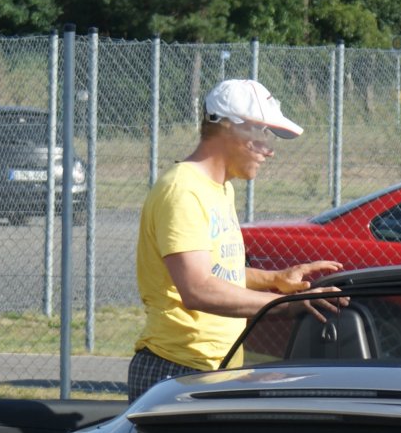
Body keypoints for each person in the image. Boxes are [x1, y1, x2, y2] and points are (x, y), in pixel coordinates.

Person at [128, 78, 342, 401]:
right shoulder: (183, 191)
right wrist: (285, 306)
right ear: (228, 128)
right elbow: (198, 288)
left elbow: (216, 273)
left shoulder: (220, 189)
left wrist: (274, 279)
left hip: (212, 370)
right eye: (262, 135)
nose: (269, 150)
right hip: (176, 372)